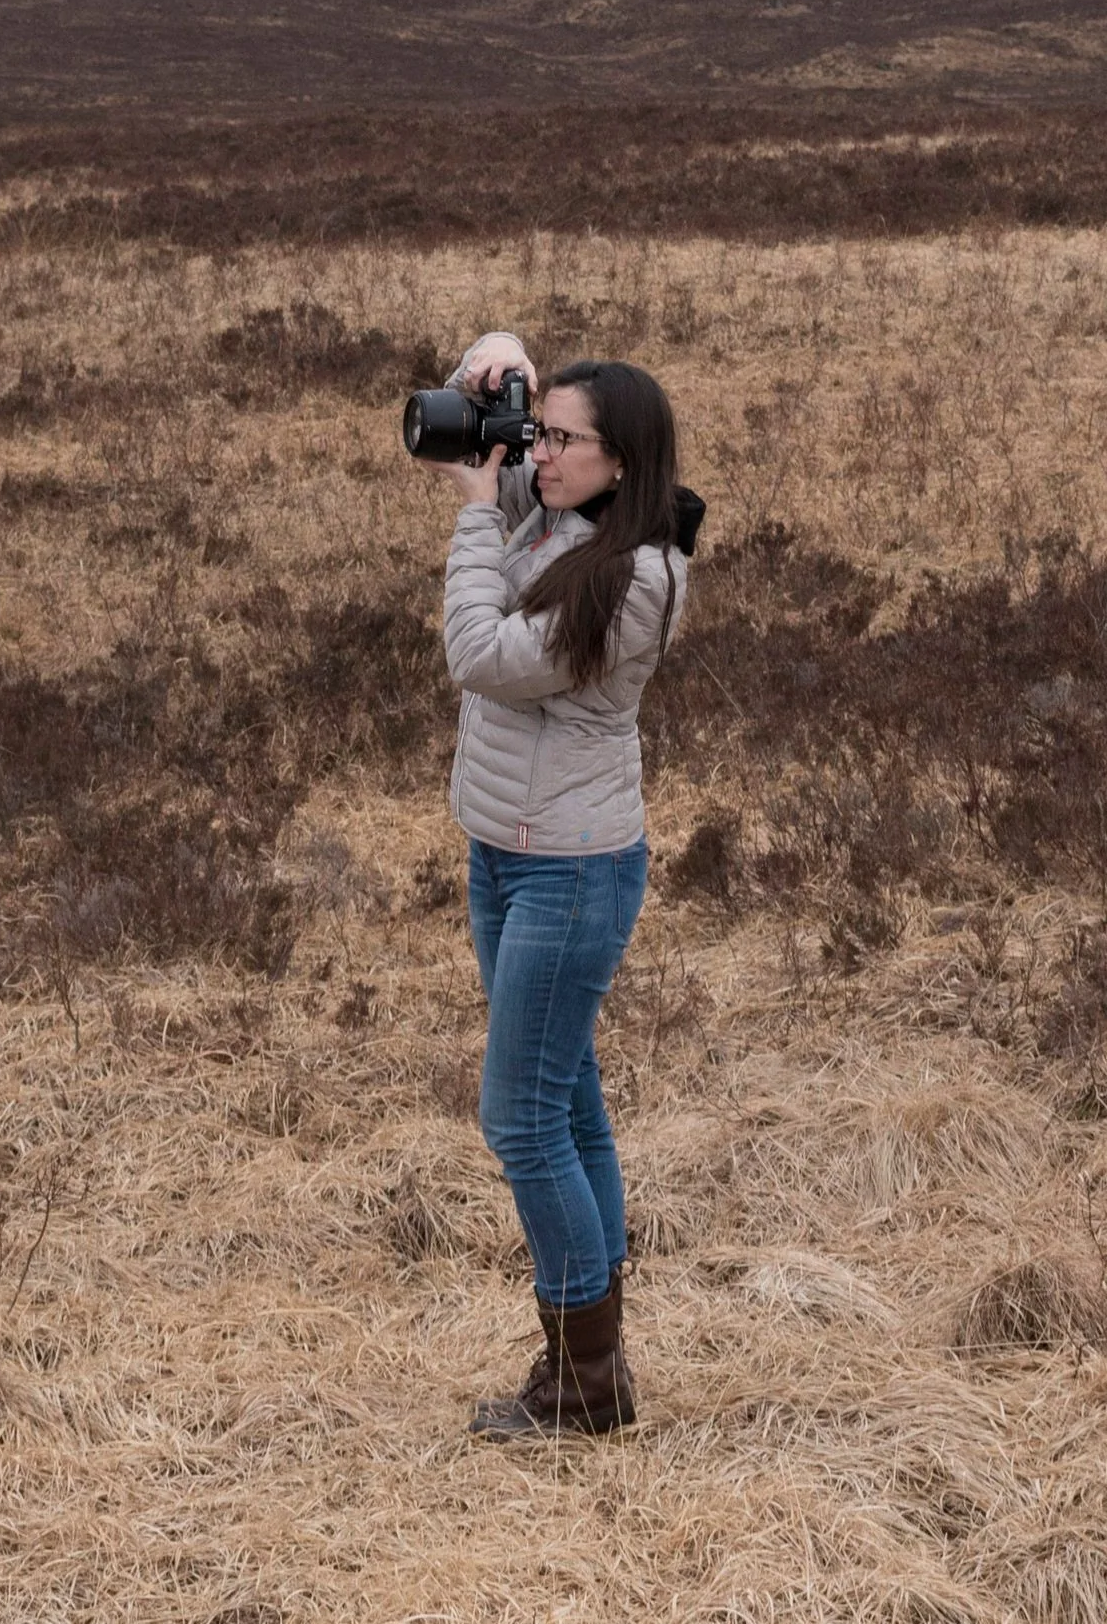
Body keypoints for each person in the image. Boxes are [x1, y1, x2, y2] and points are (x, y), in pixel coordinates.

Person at [430, 328, 700, 1441]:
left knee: (522, 1118)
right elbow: (493, 371)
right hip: (507, 848)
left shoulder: (632, 580)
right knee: (567, 1099)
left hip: (571, 871)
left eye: (563, 441)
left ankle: (585, 1384)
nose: (538, 456)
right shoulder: (570, 521)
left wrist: (467, 516)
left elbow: (482, 654)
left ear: (623, 461)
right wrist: (499, 369)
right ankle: (590, 1368)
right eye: (537, 432)